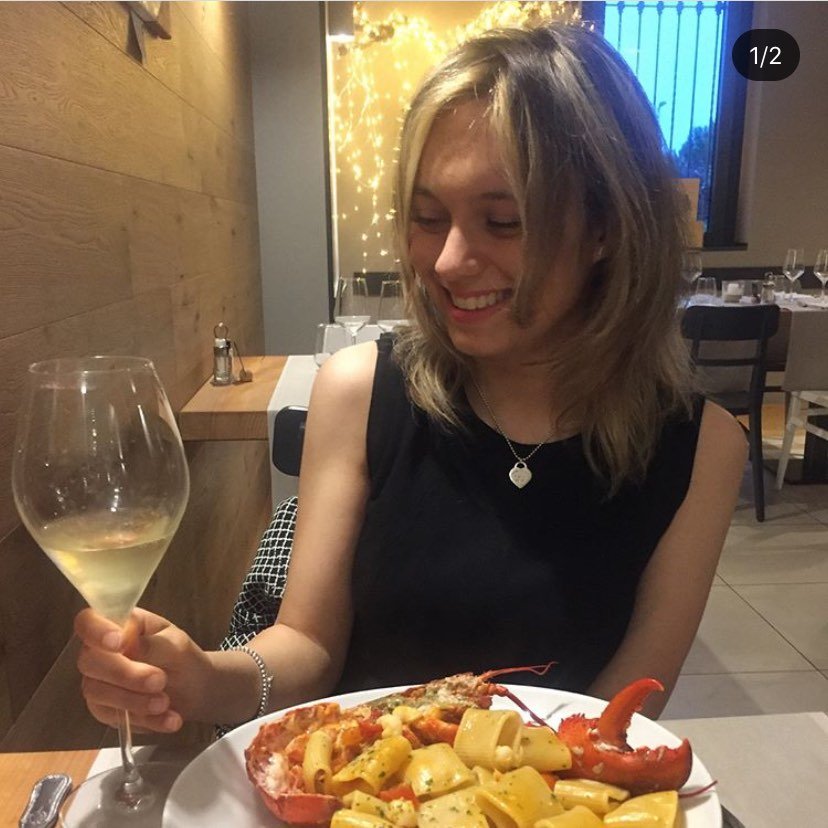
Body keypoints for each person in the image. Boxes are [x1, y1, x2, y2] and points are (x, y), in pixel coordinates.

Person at [74, 22, 746, 733]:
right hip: (354, 784)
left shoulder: (703, 448)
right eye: (428, 216)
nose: (448, 261)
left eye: (503, 221)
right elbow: (307, 646)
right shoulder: (360, 390)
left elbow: (622, 710)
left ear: (607, 228)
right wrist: (204, 680)